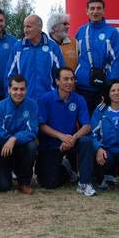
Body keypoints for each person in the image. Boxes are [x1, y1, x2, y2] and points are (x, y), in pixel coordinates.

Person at [37, 67, 95, 195]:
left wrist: (73, 138)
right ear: (57, 81)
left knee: (86, 141)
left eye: (72, 79)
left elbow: (87, 126)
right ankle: (67, 168)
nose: (69, 82)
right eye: (65, 79)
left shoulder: (79, 99)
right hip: (51, 144)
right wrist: (61, 136)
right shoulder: (46, 99)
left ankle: (84, 183)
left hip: (71, 142)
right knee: (48, 183)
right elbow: (41, 126)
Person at [0, 75, 38, 194]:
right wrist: (9, 139)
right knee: (4, 186)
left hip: (21, 146)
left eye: (22, 89)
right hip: (4, 150)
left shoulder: (32, 105)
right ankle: (2, 174)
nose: (18, 93)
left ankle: (24, 182)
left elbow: (33, 131)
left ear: (26, 90)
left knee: (32, 145)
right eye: (15, 89)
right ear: (9, 89)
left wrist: (15, 138)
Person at [75, 0, 119, 113]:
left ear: (103, 11)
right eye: (92, 8)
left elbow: (115, 60)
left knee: (102, 122)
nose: (95, 12)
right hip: (83, 86)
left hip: (104, 87)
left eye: (98, 8)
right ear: (87, 11)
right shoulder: (81, 31)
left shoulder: (112, 32)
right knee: (84, 122)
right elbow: (75, 57)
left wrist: (111, 84)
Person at [7, 14, 64, 102]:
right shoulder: (18, 47)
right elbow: (10, 75)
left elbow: (61, 74)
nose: (25, 30)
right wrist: (11, 98)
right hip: (23, 100)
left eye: (29, 27)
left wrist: (59, 97)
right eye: (24, 27)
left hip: (48, 100)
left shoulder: (52, 47)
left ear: (39, 28)